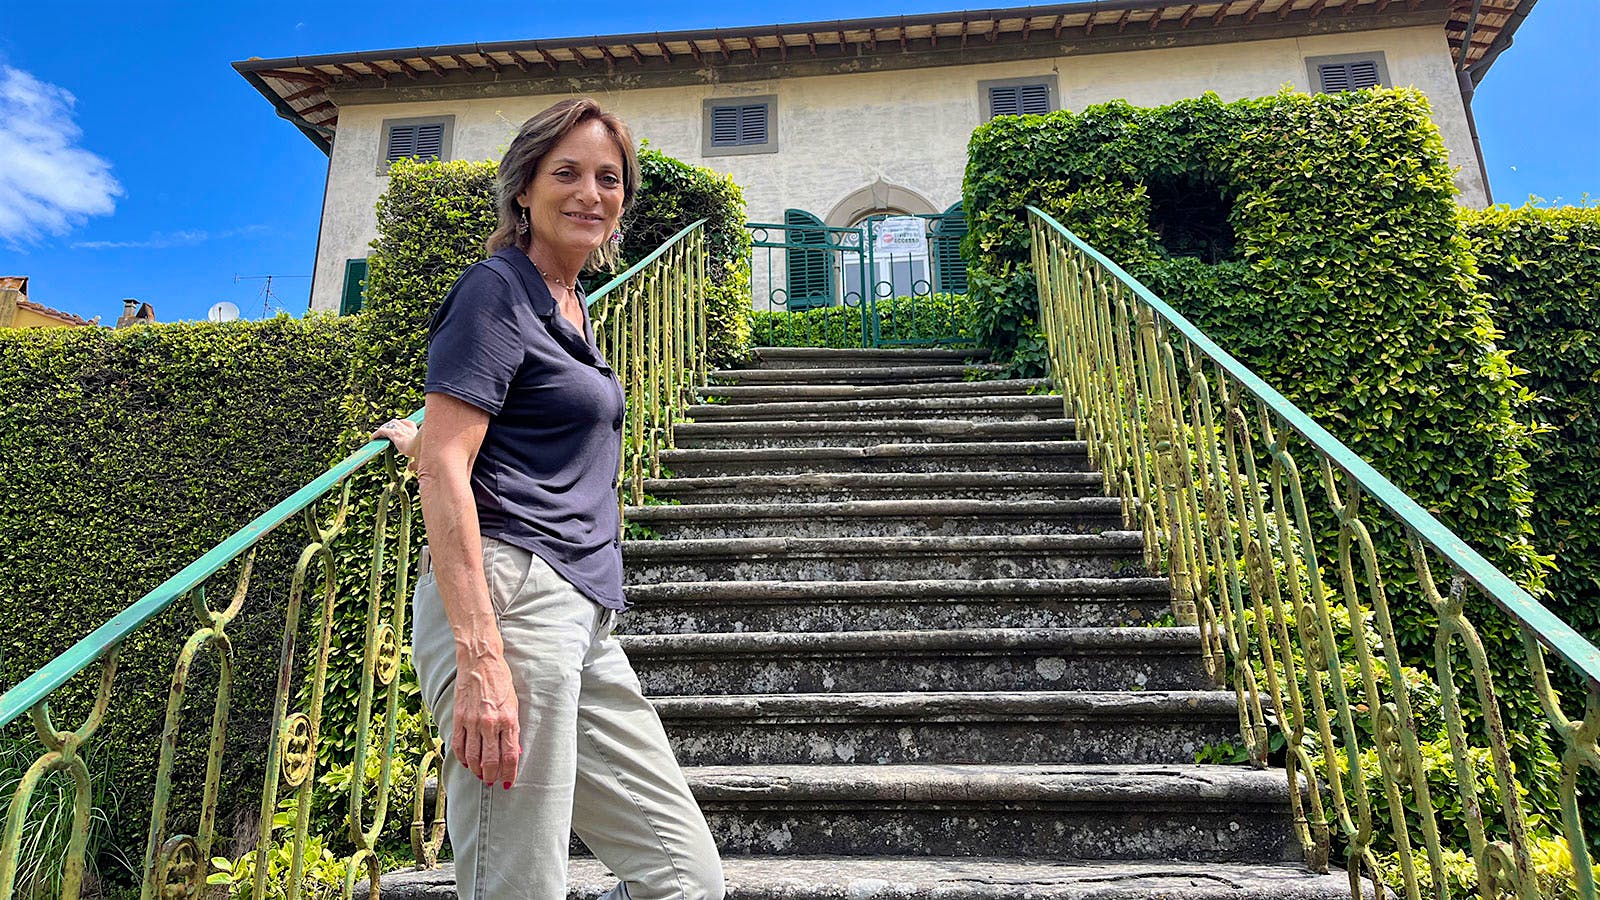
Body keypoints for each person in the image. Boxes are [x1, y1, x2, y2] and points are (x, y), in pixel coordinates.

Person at [373, 98, 723, 900]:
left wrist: (427, 437)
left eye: (609, 178)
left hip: (584, 613)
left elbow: (492, 433)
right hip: (511, 601)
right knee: (518, 885)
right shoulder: (495, 290)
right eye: (566, 172)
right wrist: (482, 657)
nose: (590, 193)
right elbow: (449, 471)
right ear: (523, 188)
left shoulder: (570, 305)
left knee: (687, 878)